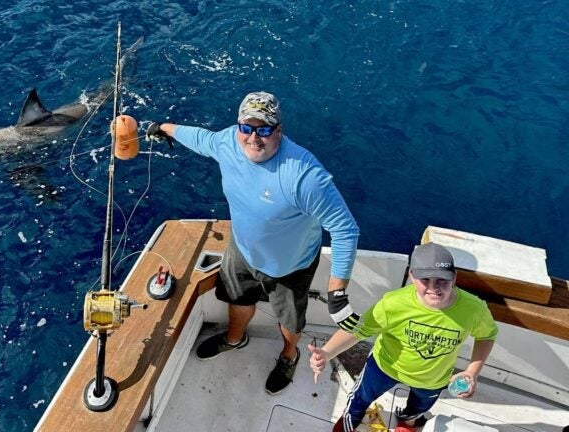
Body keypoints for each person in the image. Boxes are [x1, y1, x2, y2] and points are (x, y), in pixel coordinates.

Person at [146, 91, 360, 395]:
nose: (253, 137)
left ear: (279, 131)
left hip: (290, 264)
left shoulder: (304, 175)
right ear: (238, 128)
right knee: (238, 300)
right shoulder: (227, 142)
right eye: (247, 128)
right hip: (242, 250)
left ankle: (289, 355)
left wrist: (337, 292)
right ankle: (234, 339)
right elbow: (200, 138)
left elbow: (345, 229)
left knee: (289, 321)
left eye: (263, 129)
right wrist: (165, 128)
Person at [309, 243, 498, 432]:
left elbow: (487, 336)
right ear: (412, 276)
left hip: (433, 378)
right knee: (360, 398)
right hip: (385, 366)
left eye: (442, 280)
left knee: (419, 408)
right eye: (425, 279)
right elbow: (358, 330)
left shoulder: (474, 309)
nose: (434, 288)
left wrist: (472, 372)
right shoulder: (393, 303)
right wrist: (326, 353)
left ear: (454, 278)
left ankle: (408, 422)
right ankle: (351, 418)